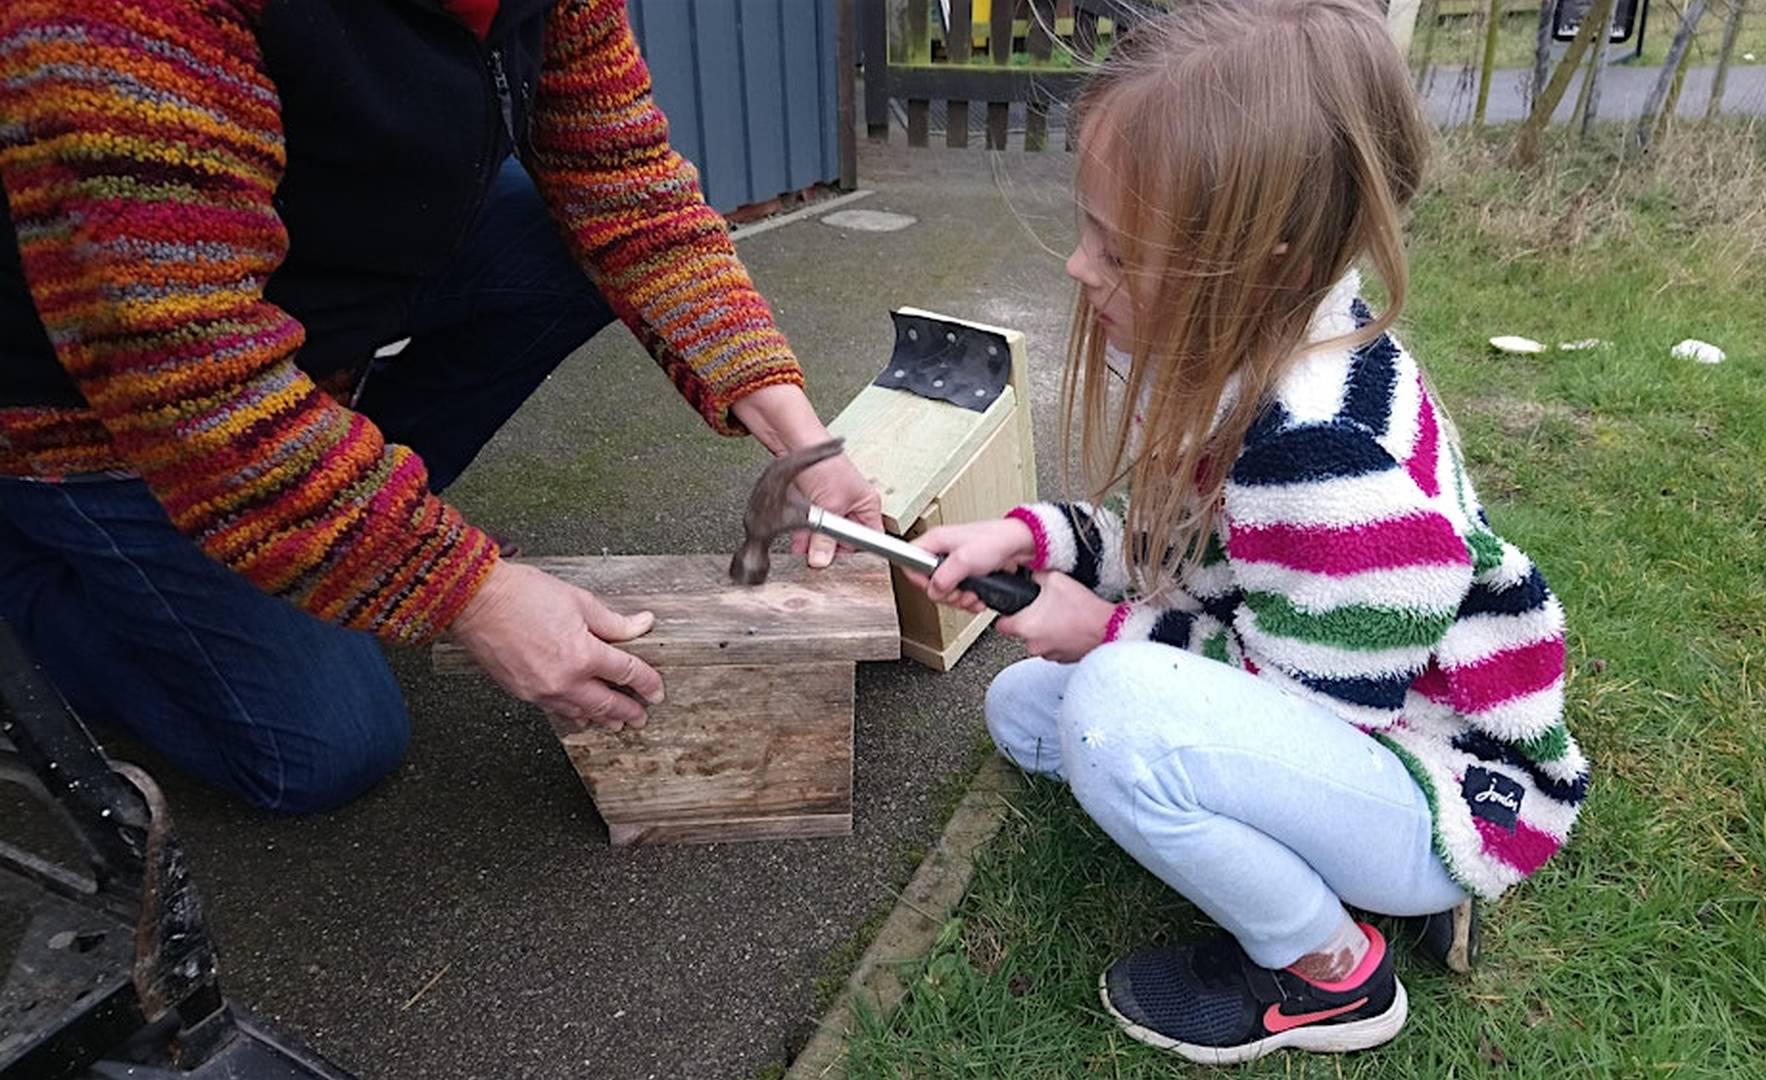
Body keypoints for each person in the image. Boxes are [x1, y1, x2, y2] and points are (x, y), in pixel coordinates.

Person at [909, 0, 1590, 1063]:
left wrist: (1106, 635)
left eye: (1117, 248)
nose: (1081, 270)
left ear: (1257, 255)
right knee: (1027, 714)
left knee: (1112, 713)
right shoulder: (1251, 356)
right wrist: (1034, 541)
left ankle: (1332, 970)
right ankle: (1316, 859)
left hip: (1433, 777)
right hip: (1346, 712)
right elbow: (1179, 548)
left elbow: (1315, 710)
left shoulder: (1326, 459)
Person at [0, 0, 879, 814]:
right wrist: (466, 589)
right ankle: (36, 592)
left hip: (301, 305)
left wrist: (803, 441)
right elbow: (188, 371)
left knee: (557, 243)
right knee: (325, 748)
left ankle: (335, 504)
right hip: (85, 403)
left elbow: (632, 198)